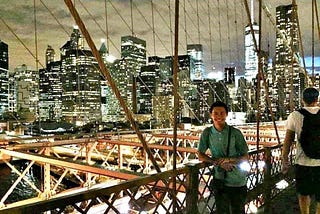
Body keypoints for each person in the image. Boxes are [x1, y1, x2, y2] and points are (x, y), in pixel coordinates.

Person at [198, 101, 249, 214]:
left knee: (238, 211)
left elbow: (245, 157)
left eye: (222, 113)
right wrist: (217, 162)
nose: (219, 116)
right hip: (220, 180)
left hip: (237, 180)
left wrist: (228, 159)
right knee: (222, 211)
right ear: (211, 115)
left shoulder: (235, 133)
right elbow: (200, 155)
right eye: (216, 113)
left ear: (226, 115)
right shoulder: (207, 133)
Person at [282, 87, 320, 214]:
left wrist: (284, 160)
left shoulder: (295, 115)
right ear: (317, 99)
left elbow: (288, 141)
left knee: (304, 194)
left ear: (302, 99)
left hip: (303, 164)